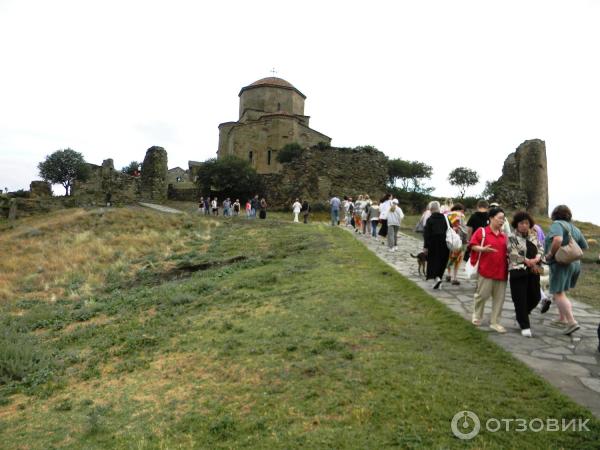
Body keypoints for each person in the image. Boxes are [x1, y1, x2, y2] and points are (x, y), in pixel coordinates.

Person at [544, 205, 588, 335]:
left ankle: (571, 322)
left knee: (558, 293)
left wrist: (551, 254)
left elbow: (558, 240)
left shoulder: (557, 225)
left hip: (561, 264)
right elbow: (584, 246)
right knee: (561, 291)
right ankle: (562, 318)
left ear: (555, 214)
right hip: (575, 264)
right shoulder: (575, 228)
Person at [469, 207, 509, 333]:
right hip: (485, 270)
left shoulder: (505, 237)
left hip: (502, 272)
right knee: (482, 295)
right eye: (499, 218)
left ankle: (495, 322)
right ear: (491, 218)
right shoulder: (482, 232)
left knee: (499, 299)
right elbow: (472, 245)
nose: (502, 221)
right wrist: (482, 249)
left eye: (503, 219)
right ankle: (477, 316)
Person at [508, 211, 544, 337]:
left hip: (533, 270)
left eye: (527, 223)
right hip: (518, 271)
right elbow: (513, 254)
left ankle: (521, 314)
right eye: (521, 223)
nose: (524, 225)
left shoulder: (533, 235)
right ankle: (525, 325)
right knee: (520, 299)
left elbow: (540, 247)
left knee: (536, 297)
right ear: (516, 224)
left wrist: (537, 258)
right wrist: (527, 261)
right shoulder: (512, 237)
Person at [423, 201, 450, 289]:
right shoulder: (446, 218)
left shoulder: (430, 220)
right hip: (445, 244)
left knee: (434, 262)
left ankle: (437, 279)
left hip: (433, 244)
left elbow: (426, 235)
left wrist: (425, 247)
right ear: (439, 209)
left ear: (431, 210)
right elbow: (450, 229)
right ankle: (439, 278)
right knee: (442, 261)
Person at [445, 203, 467, 285]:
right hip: (459, 241)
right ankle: (455, 277)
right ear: (460, 210)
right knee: (458, 260)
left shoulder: (447, 215)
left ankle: (449, 275)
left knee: (450, 258)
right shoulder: (460, 216)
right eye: (463, 211)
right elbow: (464, 230)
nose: (463, 212)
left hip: (450, 240)